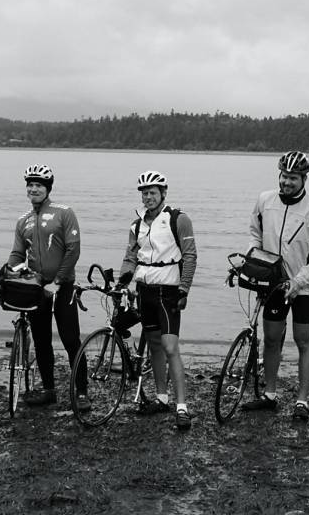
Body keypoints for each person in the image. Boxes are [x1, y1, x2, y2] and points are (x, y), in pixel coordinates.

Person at [241, 151, 309, 420]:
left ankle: (302, 401)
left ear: (304, 179)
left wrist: (298, 281)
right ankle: (269, 394)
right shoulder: (264, 200)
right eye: (284, 176)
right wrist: (254, 262)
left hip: (304, 285)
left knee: (303, 341)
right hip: (273, 283)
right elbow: (255, 235)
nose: (287, 182)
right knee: (271, 339)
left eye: (293, 178)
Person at [118, 171, 197, 430]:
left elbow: (190, 255)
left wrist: (184, 289)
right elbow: (131, 257)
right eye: (144, 193)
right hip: (145, 291)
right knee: (154, 345)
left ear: (163, 193)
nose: (148, 197)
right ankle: (162, 398)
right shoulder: (137, 224)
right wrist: (122, 282)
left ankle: (182, 407)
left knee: (170, 347)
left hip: (168, 291)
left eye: (152, 192)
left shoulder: (178, 219)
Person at [5, 164, 89, 410]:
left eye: (39, 185)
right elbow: (17, 253)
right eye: (30, 185)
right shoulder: (23, 220)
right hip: (37, 288)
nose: (34, 189)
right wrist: (9, 275)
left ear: (48, 188)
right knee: (41, 340)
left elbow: (73, 249)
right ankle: (49, 390)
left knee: (70, 339)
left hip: (64, 287)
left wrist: (59, 280)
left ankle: (82, 393)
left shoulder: (64, 213)